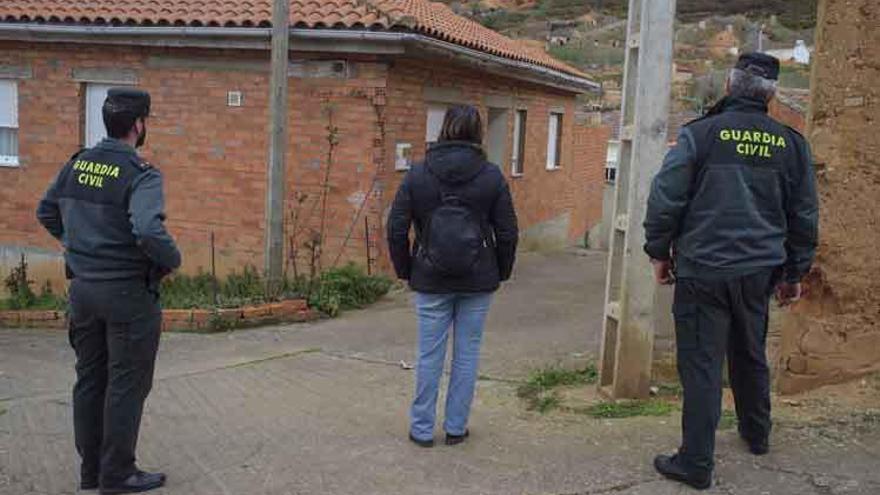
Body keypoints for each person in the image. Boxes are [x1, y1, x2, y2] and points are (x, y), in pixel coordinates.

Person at [644, 52, 818, 490]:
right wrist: (794, 272)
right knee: (750, 350)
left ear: (728, 86)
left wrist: (658, 250)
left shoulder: (700, 135)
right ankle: (757, 434)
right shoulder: (791, 144)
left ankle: (697, 461)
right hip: (759, 270)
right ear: (772, 95)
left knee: (702, 364)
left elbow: (666, 197)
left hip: (704, 268)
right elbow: (804, 214)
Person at [36, 88, 181, 494]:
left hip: (83, 291)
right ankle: (117, 474)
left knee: (89, 380)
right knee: (125, 383)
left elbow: (45, 210)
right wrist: (171, 260)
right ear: (139, 124)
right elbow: (150, 230)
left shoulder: (77, 165)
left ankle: (91, 473)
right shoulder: (141, 173)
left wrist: (78, 245)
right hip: (127, 297)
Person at [387, 104, 519, 448]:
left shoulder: (418, 173)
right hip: (478, 280)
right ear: (478, 132)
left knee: (429, 354)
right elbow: (508, 232)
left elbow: (396, 227)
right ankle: (456, 428)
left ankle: (421, 430)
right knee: (467, 353)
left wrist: (406, 269)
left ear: (444, 129)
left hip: (430, 278)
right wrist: (500, 271)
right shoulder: (491, 175)